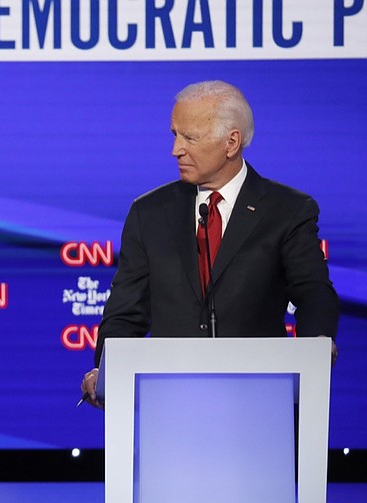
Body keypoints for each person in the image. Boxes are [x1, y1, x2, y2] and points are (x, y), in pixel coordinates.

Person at [80, 80, 338, 407]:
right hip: (169, 401)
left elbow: (313, 290)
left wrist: (315, 347)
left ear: (232, 142)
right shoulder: (149, 213)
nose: (176, 149)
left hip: (260, 399)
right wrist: (106, 369)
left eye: (189, 137)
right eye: (174, 134)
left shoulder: (287, 210)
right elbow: (125, 313)